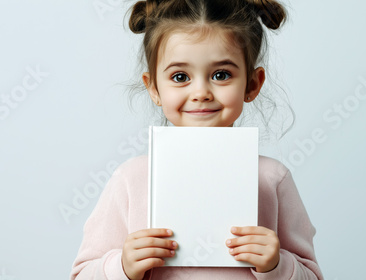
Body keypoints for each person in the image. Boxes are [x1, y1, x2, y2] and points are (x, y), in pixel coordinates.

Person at [70, 0, 324, 279]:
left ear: (252, 84)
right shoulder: (131, 178)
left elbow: (312, 275)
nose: (201, 92)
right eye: (180, 77)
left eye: (221, 75)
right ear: (153, 88)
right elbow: (82, 274)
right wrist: (121, 267)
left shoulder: (273, 178)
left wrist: (277, 265)